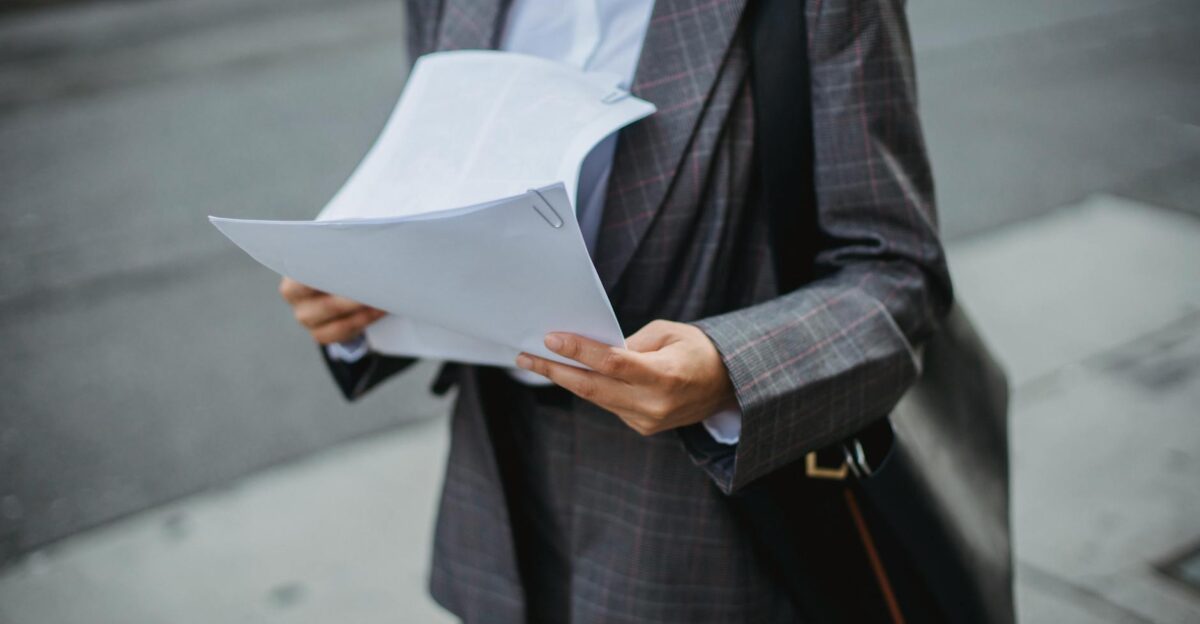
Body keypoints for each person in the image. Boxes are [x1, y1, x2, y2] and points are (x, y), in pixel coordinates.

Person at [279, 0, 968, 621]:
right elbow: (435, 179)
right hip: (498, 516)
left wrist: (734, 368)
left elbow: (897, 268)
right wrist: (359, 292)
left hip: (710, 539)